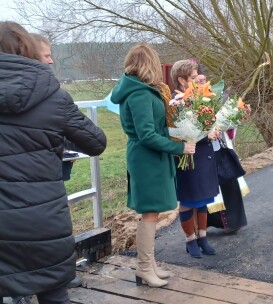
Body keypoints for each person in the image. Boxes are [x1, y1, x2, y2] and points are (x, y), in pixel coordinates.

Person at [0, 21, 107, 303]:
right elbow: (96, 142)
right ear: (28, 50)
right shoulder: (53, 96)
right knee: (54, 294)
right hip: (43, 221)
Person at [110, 44, 195, 287]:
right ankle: (144, 268)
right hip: (147, 159)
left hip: (152, 157)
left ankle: (149, 265)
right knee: (149, 213)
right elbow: (147, 135)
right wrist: (179, 147)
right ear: (149, 63)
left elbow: (155, 129)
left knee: (153, 212)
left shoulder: (143, 90)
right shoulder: (139, 94)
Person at [169, 60, 220, 258]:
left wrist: (213, 130)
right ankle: (190, 239)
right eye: (192, 77)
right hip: (188, 157)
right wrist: (203, 134)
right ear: (181, 80)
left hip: (204, 155)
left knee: (204, 198)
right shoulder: (176, 102)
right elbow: (176, 132)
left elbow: (207, 121)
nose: (197, 79)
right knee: (189, 200)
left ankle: (203, 237)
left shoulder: (201, 97)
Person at [208, 129, 249, 233]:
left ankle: (233, 222)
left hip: (220, 142)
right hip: (205, 147)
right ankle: (211, 222)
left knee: (228, 178)